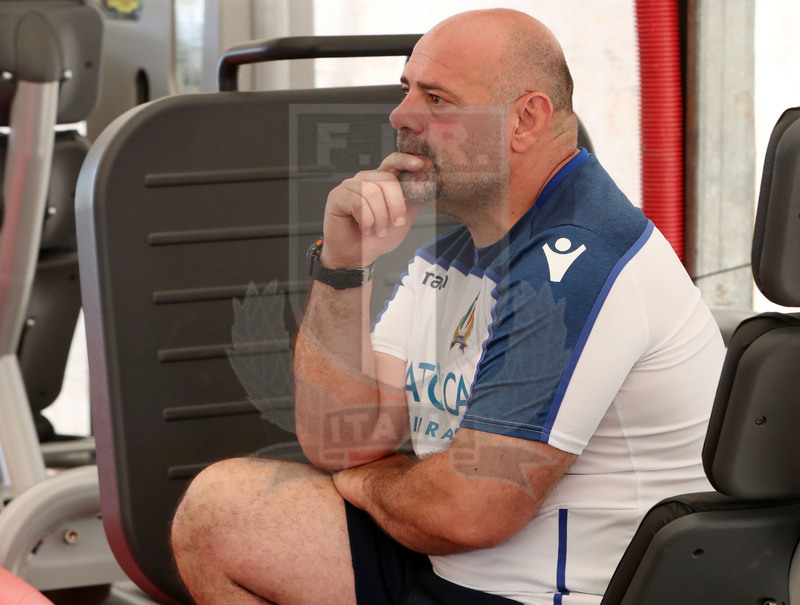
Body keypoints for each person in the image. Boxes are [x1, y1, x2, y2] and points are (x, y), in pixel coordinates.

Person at [170, 8, 725, 605]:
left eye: (436, 99)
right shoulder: (458, 250)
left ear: (525, 119)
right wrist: (342, 264)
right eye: (406, 89)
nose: (401, 115)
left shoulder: (579, 262)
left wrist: (370, 478)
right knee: (219, 513)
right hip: (448, 568)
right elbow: (342, 440)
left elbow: (472, 511)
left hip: (542, 594)